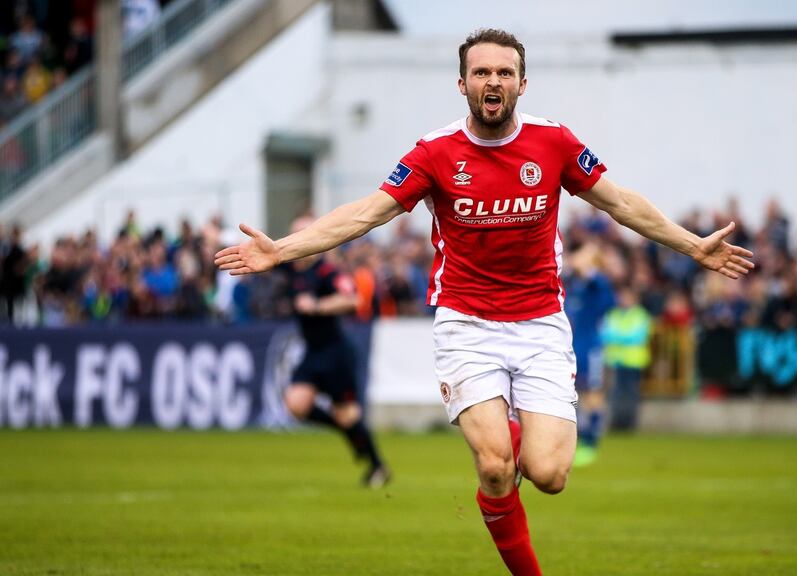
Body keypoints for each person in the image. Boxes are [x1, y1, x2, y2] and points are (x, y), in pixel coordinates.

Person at [215, 29, 753, 575]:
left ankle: (516, 432)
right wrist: (280, 250)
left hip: (541, 323)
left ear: (521, 83)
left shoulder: (554, 142)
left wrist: (692, 245)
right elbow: (364, 214)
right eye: (480, 72)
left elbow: (620, 202)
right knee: (495, 466)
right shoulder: (435, 153)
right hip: (466, 324)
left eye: (502, 72)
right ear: (462, 84)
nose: (491, 81)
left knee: (549, 475)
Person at [280, 215, 391, 488]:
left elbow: (353, 300)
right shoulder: (294, 272)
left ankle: (378, 466)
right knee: (296, 404)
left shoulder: (327, 272)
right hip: (313, 352)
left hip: (336, 353)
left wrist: (317, 305)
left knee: (348, 414)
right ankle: (348, 432)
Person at [563, 242, 616, 467]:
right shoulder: (575, 284)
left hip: (590, 349)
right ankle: (577, 438)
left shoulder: (598, 283)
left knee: (593, 395)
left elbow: (608, 304)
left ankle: (591, 443)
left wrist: (589, 267)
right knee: (571, 396)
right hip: (570, 348)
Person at [600, 283, 653, 432]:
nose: (623, 299)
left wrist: (616, 337)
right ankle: (617, 423)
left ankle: (629, 423)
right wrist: (620, 337)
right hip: (615, 361)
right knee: (615, 393)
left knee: (631, 393)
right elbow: (604, 334)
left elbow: (637, 337)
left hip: (633, 361)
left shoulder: (640, 315)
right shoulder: (613, 314)